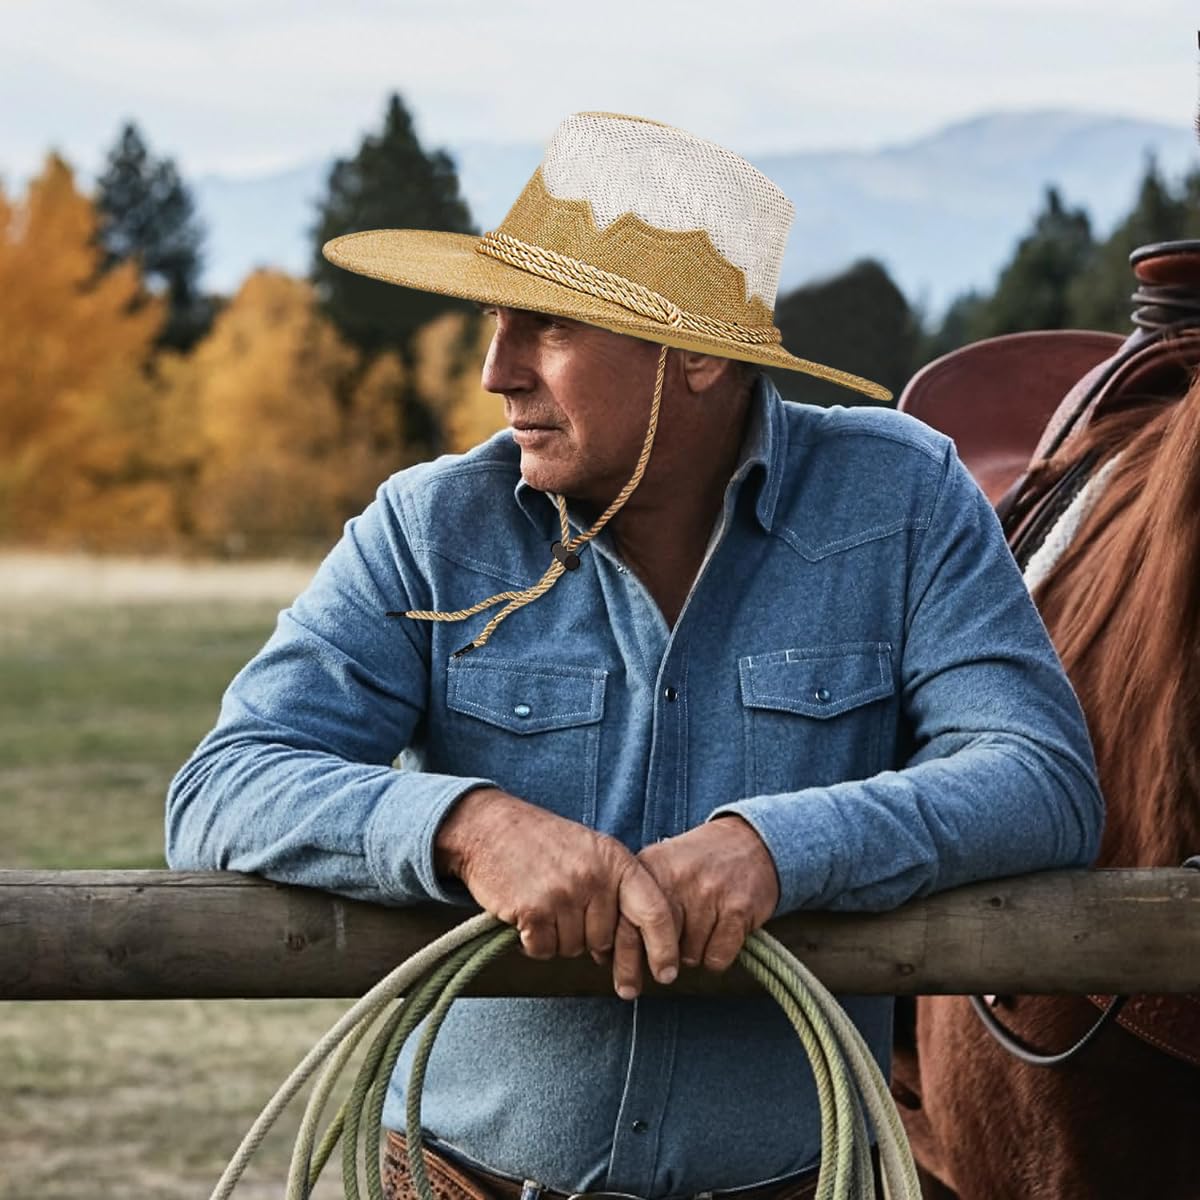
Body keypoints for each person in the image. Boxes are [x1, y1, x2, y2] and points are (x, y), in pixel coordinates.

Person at [166, 112, 1102, 1200]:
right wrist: (472, 828)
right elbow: (223, 786)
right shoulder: (430, 530)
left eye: (548, 328)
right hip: (461, 1178)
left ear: (695, 352)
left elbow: (1041, 779)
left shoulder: (901, 501)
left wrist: (777, 847)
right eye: (494, 324)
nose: (494, 372)